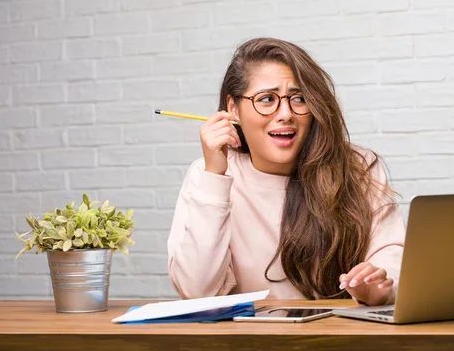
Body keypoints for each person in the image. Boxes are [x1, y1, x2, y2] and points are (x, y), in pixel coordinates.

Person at [167, 38, 405, 306]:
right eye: (266, 99)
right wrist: (215, 177)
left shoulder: (358, 166)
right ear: (233, 109)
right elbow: (197, 292)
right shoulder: (207, 175)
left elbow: (391, 257)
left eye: (299, 98)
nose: (285, 113)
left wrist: (380, 288)